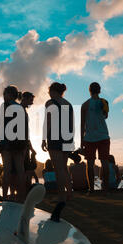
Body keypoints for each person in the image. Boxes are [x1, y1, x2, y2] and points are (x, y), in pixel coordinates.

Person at [42, 82, 74, 222]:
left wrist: (43, 138)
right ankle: (69, 194)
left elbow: (47, 121)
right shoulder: (68, 104)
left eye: (49, 90)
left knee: (58, 168)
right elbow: (71, 123)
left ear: (52, 91)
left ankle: (61, 197)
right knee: (64, 168)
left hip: (55, 137)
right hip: (67, 137)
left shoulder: (50, 102)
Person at [0, 85, 28, 201]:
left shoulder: (5, 106)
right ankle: (22, 196)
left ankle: (5, 197)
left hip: (7, 143)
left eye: (4, 94)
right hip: (19, 143)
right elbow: (25, 127)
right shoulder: (20, 108)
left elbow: (1, 124)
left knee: (7, 171)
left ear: (9, 94)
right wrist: (25, 144)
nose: (3, 96)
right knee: (20, 171)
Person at [80, 82, 110, 193]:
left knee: (90, 164)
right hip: (103, 136)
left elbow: (82, 124)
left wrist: (81, 140)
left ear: (89, 90)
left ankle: (91, 189)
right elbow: (105, 116)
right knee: (105, 163)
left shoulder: (85, 105)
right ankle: (106, 189)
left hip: (89, 138)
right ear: (99, 90)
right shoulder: (104, 102)